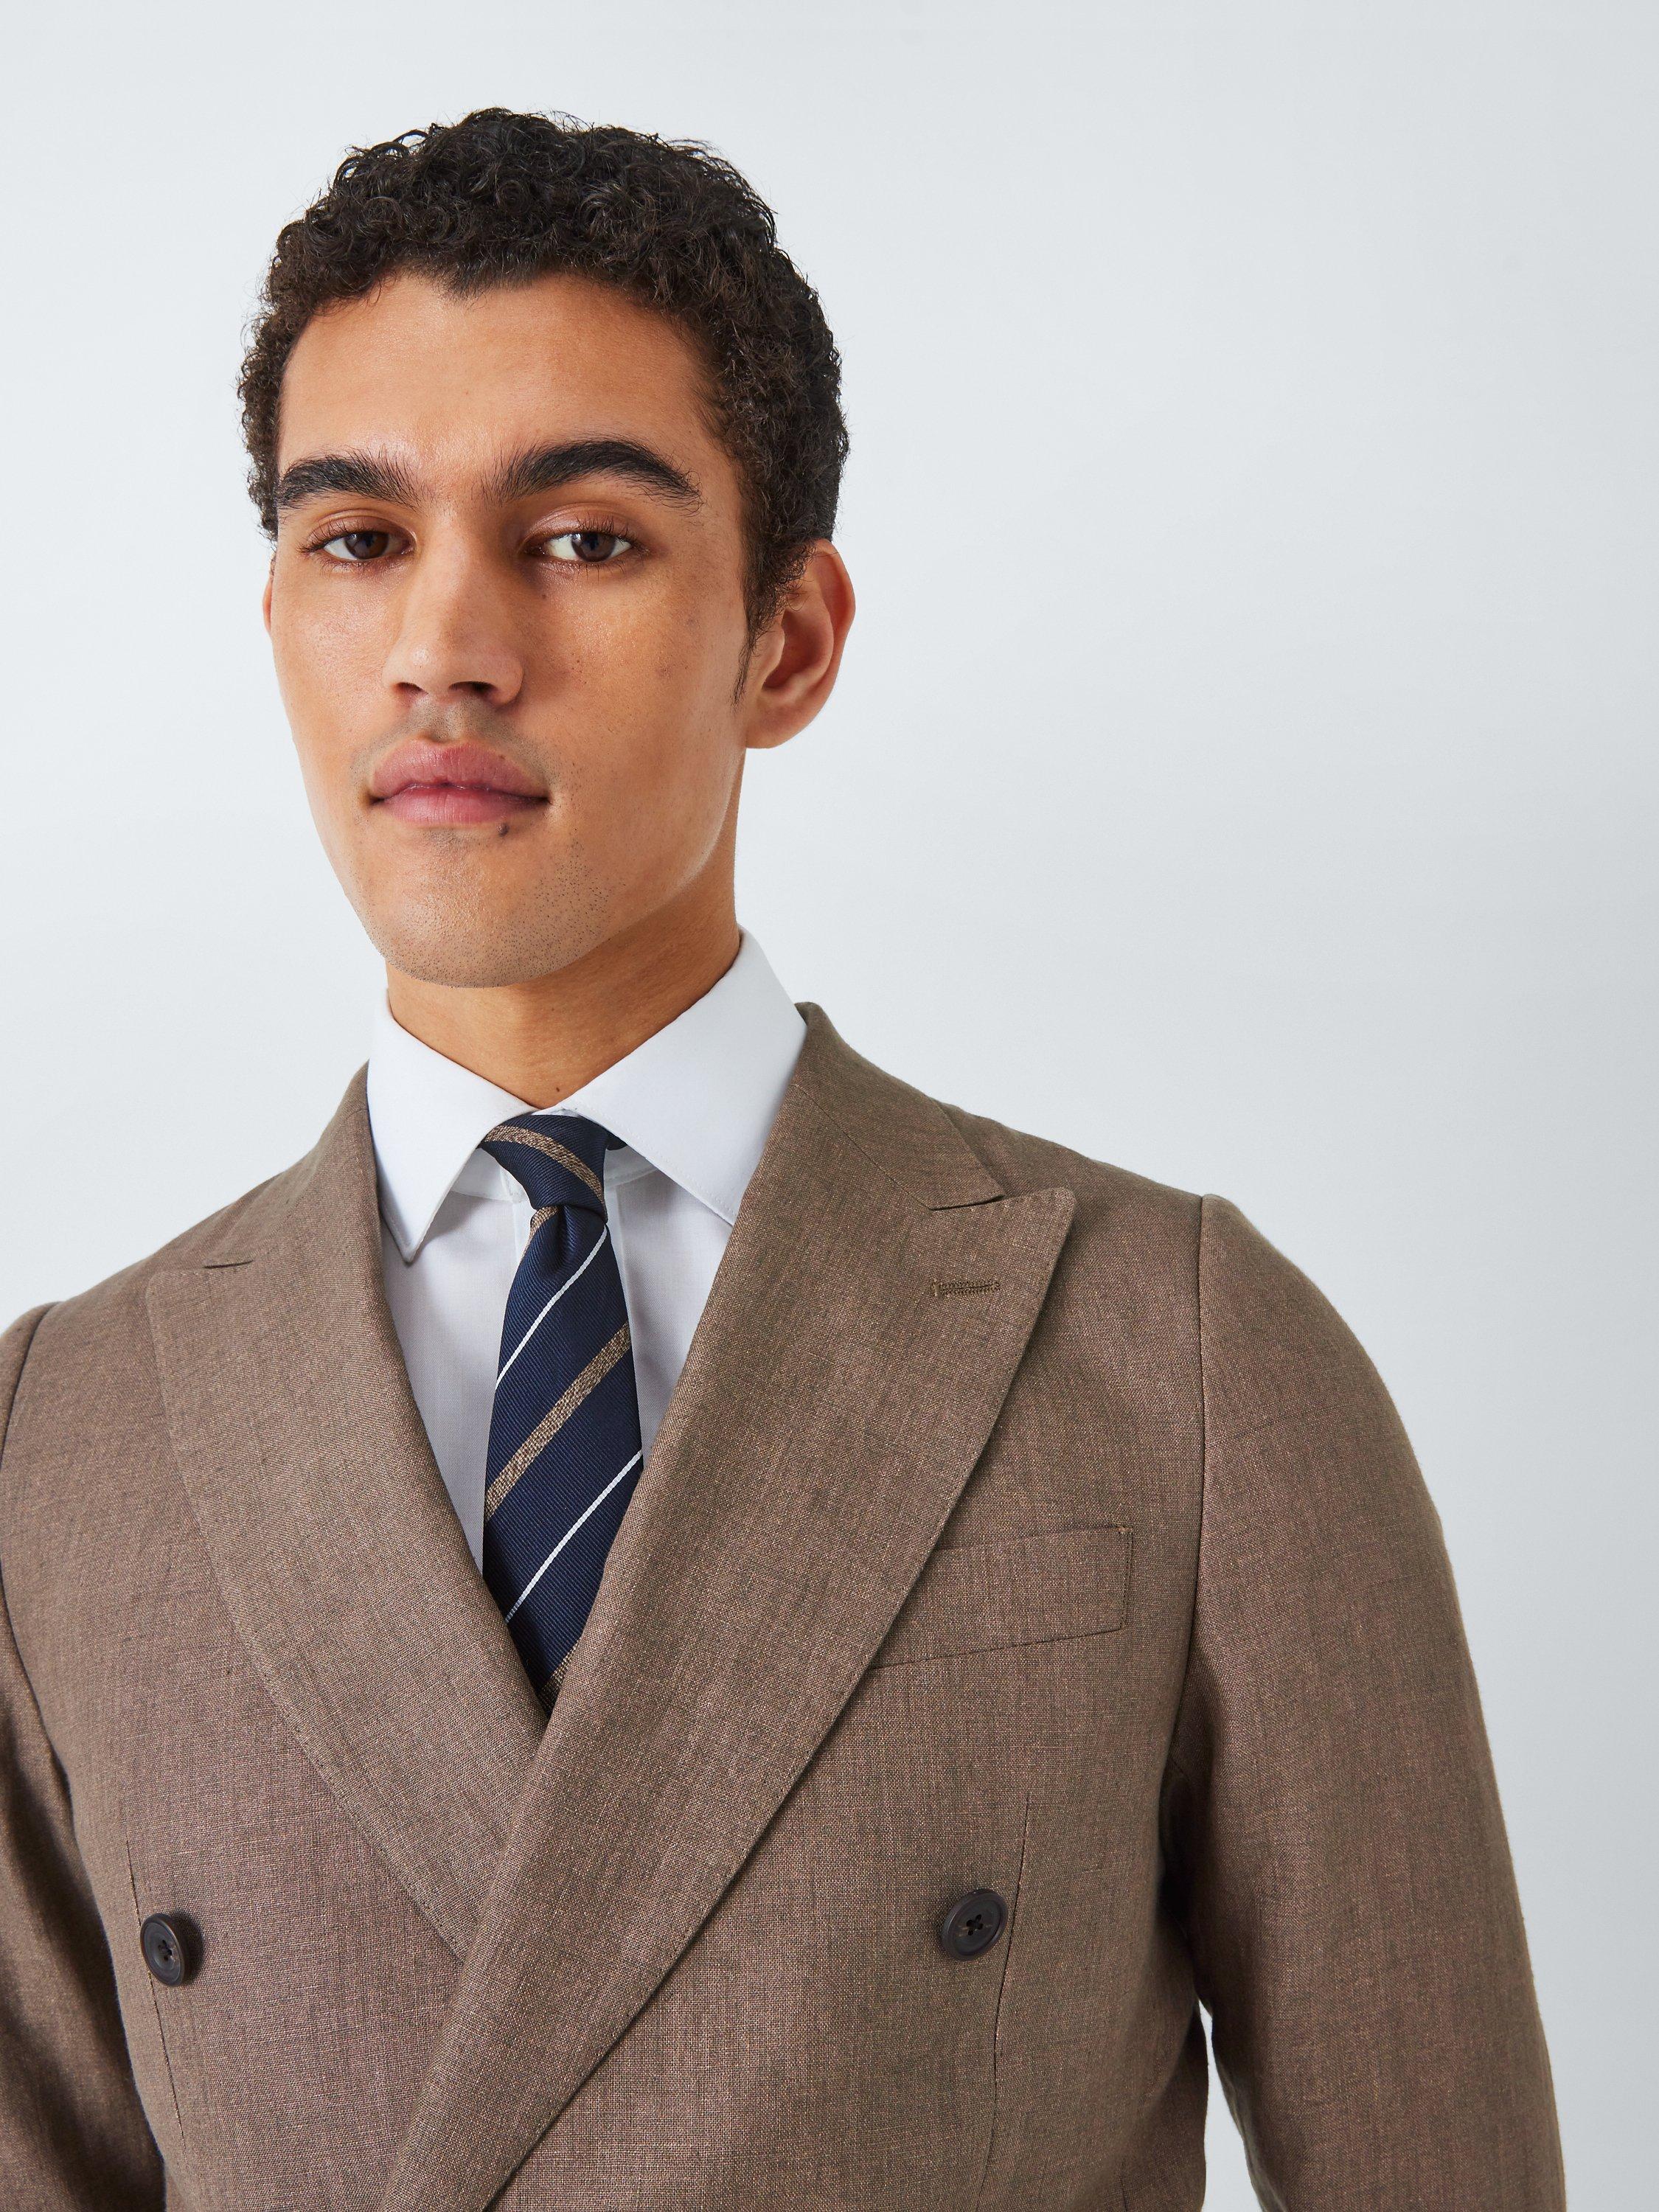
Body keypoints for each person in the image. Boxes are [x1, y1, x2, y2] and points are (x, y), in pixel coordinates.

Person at [0, 108, 1564, 2212]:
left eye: (582, 540)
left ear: (790, 642)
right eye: (356, 537)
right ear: (276, 608)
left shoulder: (1182, 1359)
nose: (445, 644)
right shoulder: (62, 1442)